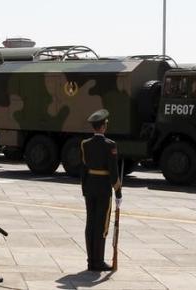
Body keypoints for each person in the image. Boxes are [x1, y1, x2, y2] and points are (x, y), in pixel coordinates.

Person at [80, 109, 122, 271]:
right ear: (103, 127)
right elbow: (113, 172)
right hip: (104, 188)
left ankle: (91, 260)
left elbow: (83, 170)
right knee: (101, 225)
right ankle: (98, 262)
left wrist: (84, 189)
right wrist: (118, 192)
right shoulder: (110, 145)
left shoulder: (85, 144)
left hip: (90, 187)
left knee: (90, 223)